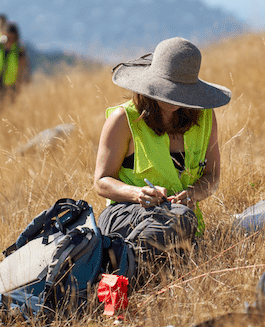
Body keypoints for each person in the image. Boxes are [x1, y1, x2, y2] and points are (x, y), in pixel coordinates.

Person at [93, 36, 231, 274]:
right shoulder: (123, 119)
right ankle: (119, 268)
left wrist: (194, 194)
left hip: (178, 219)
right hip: (125, 214)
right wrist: (138, 194)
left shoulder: (205, 117)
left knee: (181, 221)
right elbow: (102, 182)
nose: (176, 100)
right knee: (179, 222)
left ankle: (129, 270)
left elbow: (213, 175)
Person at [0, 21, 31, 109]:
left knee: (10, 107)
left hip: (11, 82)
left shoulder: (18, 49)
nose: (10, 40)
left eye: (13, 38)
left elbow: (24, 64)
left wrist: (25, 77)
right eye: (8, 37)